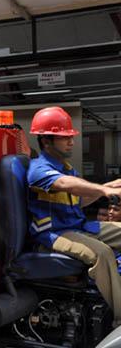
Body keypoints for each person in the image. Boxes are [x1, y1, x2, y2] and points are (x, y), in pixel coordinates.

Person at [27, 106, 121, 327]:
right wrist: (104, 190)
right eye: (64, 137)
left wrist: (108, 185)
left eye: (70, 136)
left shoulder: (67, 168)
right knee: (103, 254)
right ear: (46, 141)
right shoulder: (38, 169)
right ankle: (120, 319)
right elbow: (65, 185)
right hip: (52, 235)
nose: (71, 141)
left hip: (76, 226)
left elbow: (77, 200)